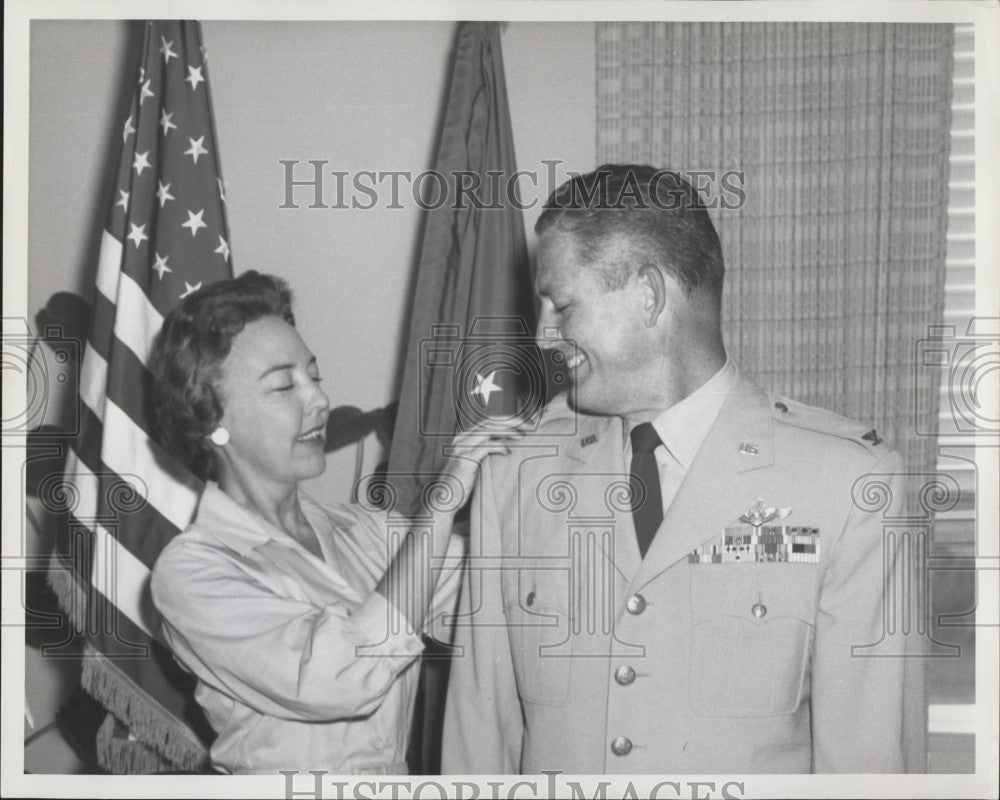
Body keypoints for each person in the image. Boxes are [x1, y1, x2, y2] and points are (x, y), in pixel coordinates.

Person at [442, 165, 926, 774]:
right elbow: (477, 736)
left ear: (648, 295)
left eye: (561, 305)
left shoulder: (849, 485)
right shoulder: (516, 475)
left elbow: (869, 765)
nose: (542, 336)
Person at [148, 271, 513, 774]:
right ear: (213, 422)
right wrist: (442, 504)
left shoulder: (367, 531)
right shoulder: (190, 572)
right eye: (283, 385)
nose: (318, 399)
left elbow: (499, 597)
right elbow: (340, 677)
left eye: (313, 376)